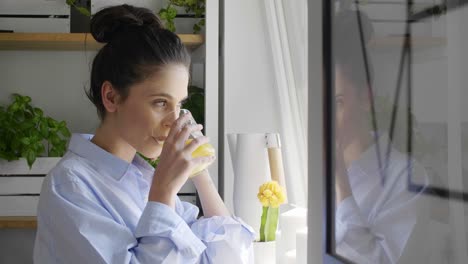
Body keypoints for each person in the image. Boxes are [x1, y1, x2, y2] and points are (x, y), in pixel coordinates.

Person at [33, 4, 254, 264]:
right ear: (111, 97)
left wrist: (201, 176)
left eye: (179, 105)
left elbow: (227, 259)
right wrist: (163, 192)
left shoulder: (142, 179)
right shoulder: (70, 185)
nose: (175, 122)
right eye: (161, 103)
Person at [332, 9, 430, 264]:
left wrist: (340, 179)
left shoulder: (407, 177)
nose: (326, 119)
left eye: (338, 102)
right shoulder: (307, 169)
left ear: (366, 98)